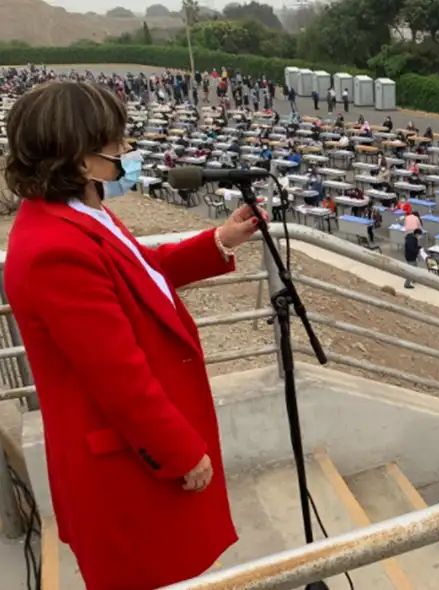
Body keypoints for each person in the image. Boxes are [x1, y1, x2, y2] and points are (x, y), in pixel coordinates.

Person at [3, 81, 265, 590]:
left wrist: (218, 241)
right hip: (124, 462)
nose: (126, 152)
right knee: (148, 573)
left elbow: (140, 272)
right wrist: (180, 452)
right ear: (80, 160)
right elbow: (117, 375)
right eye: (116, 143)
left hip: (126, 451)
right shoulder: (55, 250)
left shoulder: (78, 213)